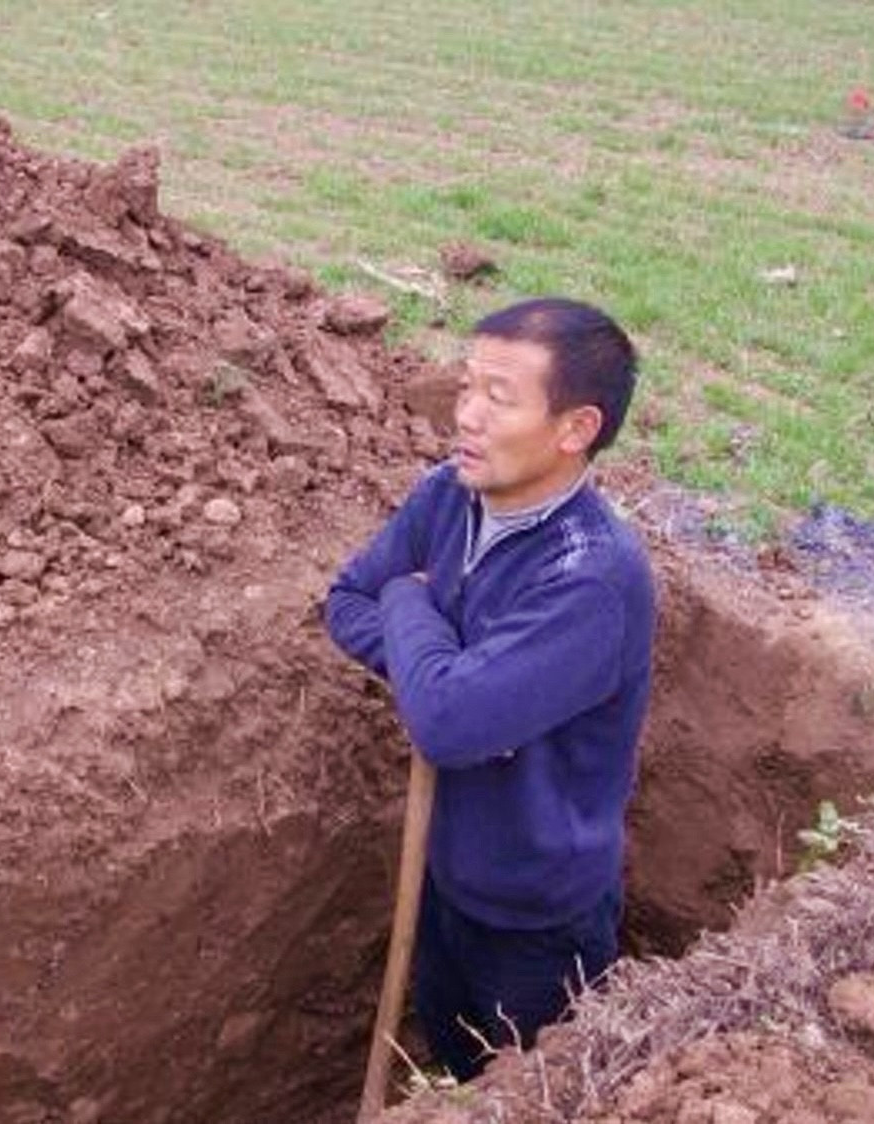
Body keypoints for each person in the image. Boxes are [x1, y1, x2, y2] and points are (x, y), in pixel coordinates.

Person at [326, 297, 656, 1082]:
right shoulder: (447, 496)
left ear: (576, 428)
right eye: (466, 386)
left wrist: (410, 604)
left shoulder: (591, 580)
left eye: (498, 398)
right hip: (444, 876)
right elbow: (343, 601)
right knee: (449, 1052)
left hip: (539, 922)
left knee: (524, 1092)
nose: (465, 415)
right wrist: (438, 669)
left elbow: (447, 722)